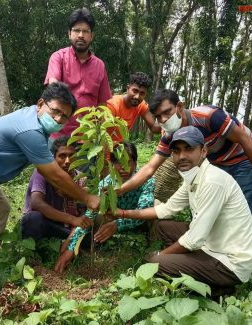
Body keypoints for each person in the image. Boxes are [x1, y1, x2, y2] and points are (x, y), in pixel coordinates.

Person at [0, 82, 99, 297]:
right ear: (41, 104)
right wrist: (87, 198)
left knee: (1, 209)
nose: (58, 119)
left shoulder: (36, 124)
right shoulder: (29, 129)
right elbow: (54, 174)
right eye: (55, 111)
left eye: (64, 116)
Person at [111, 126, 252, 293]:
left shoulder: (212, 181)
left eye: (189, 149)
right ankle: (187, 267)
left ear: (203, 151)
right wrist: (121, 213)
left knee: (154, 265)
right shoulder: (193, 178)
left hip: (230, 261)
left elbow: (194, 239)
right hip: (211, 242)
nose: (182, 156)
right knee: (163, 227)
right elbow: (165, 210)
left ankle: (218, 289)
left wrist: (160, 255)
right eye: (176, 151)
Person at [118, 89, 252, 215]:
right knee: (211, 202)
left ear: (179, 106)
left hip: (242, 156)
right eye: (158, 117)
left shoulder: (209, 117)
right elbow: (149, 168)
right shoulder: (169, 134)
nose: (163, 120)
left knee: (242, 206)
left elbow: (245, 139)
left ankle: (240, 244)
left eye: (167, 112)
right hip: (216, 161)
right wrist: (120, 190)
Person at [54, 142, 155, 273]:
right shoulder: (106, 184)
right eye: (118, 162)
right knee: (96, 217)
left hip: (137, 224)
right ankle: (87, 247)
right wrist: (71, 248)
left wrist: (117, 224)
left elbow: (143, 212)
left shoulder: (146, 181)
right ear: (111, 164)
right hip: (110, 222)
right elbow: (90, 215)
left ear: (135, 163)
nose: (123, 167)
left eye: (128, 162)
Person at [44, 7, 112, 140]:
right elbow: (53, 89)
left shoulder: (100, 65)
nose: (81, 35)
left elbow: (103, 104)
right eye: (76, 30)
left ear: (92, 36)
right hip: (58, 134)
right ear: (69, 33)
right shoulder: (58, 58)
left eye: (86, 31)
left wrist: (101, 132)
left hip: (88, 137)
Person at [21, 136, 92, 240]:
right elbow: (36, 203)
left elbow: (82, 210)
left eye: (71, 155)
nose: (67, 161)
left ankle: (67, 244)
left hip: (66, 228)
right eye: (62, 156)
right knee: (33, 219)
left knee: (91, 235)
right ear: (53, 157)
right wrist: (72, 219)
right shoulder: (42, 173)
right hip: (46, 222)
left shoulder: (80, 177)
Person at [107, 72, 161, 142]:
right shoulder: (112, 105)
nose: (137, 97)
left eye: (142, 93)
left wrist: (172, 121)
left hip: (118, 147)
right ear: (128, 88)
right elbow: (100, 133)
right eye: (135, 91)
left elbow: (154, 128)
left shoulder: (141, 105)